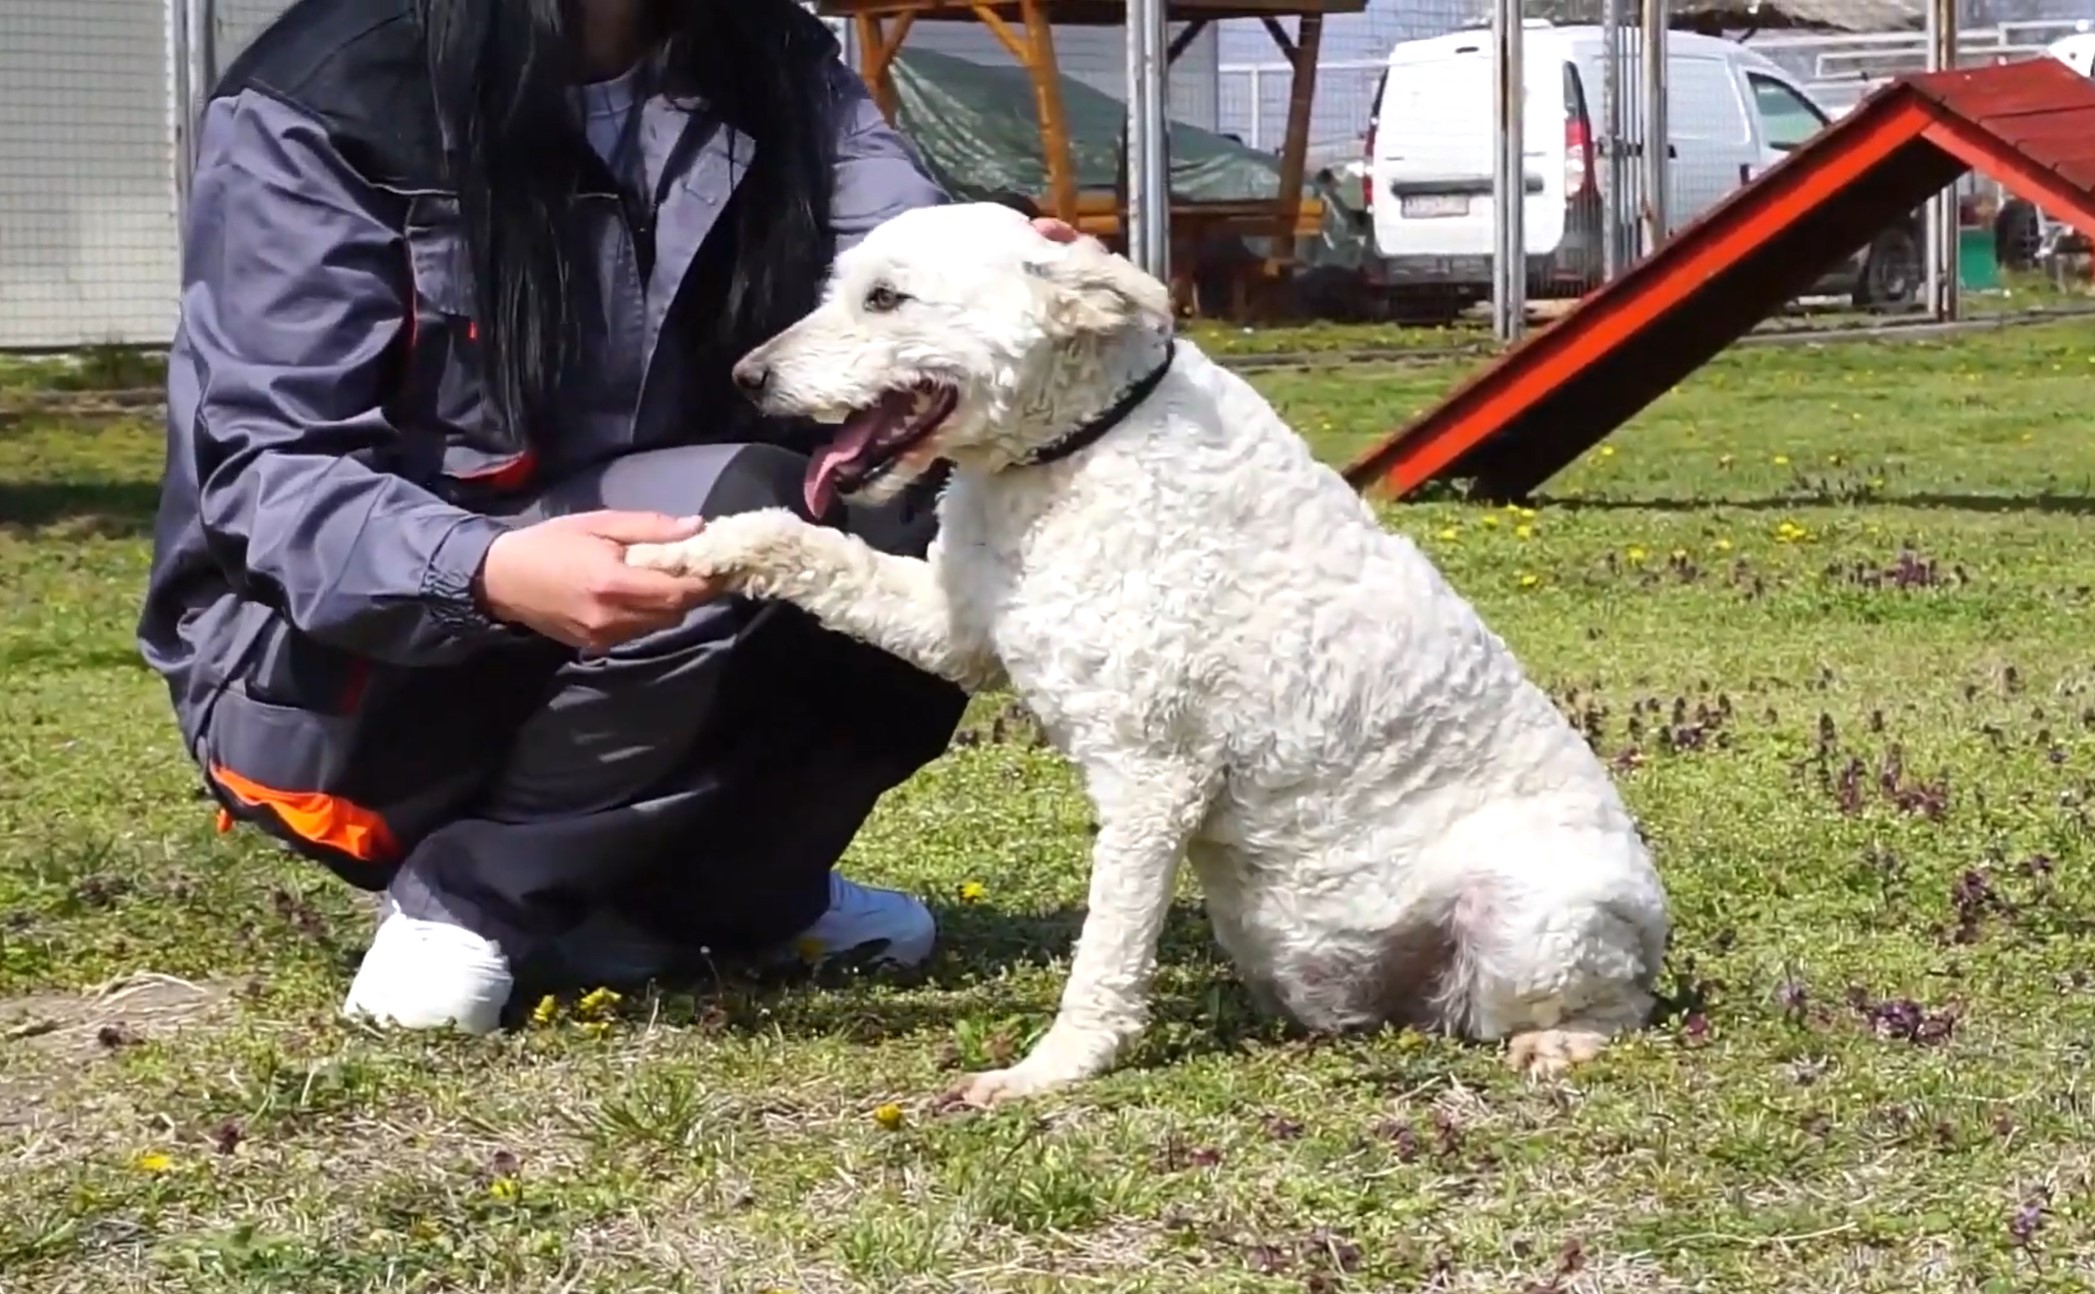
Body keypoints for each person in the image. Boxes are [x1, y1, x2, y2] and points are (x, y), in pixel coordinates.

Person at [138, 0, 1076, 1033]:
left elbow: (902, 251)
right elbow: (268, 473)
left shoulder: (771, 51)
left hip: (667, 561)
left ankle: (726, 896)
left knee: (930, 499)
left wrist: (1002, 278)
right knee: (743, 510)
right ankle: (474, 896)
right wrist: (483, 570)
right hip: (349, 672)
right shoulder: (325, 96)